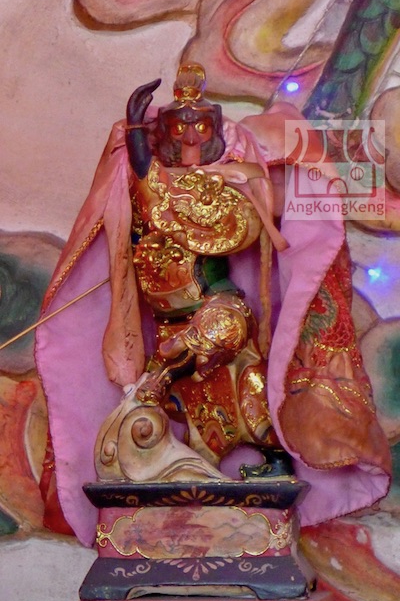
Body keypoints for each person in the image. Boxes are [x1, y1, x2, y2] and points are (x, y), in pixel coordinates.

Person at [35, 64, 391, 547]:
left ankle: (267, 459)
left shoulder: (228, 187)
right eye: (177, 129)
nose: (187, 139)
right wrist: (136, 134)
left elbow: (219, 220)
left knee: (234, 375)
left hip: (216, 313)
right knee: (194, 411)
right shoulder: (148, 190)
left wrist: (149, 147)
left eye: (200, 127)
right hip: (169, 323)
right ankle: (185, 472)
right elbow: (146, 193)